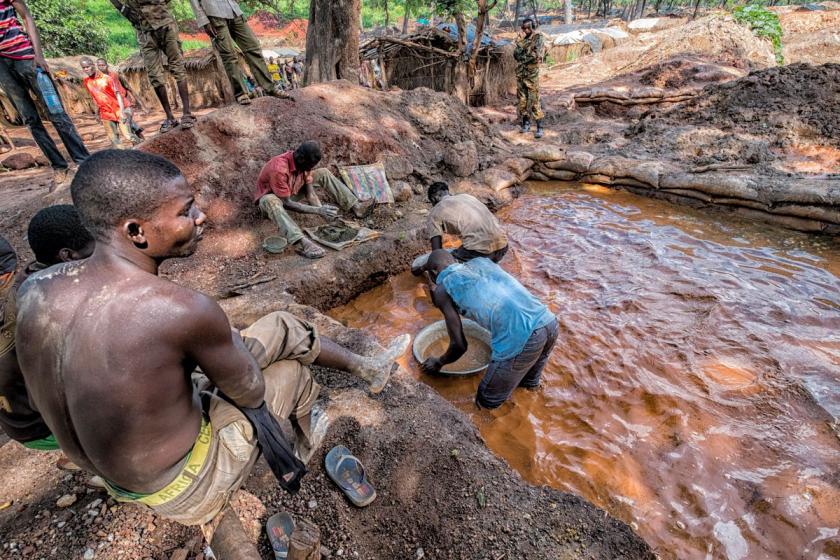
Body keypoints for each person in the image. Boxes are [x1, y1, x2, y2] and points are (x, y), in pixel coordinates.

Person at [15, 149, 409, 527]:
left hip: (117, 472)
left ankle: (365, 368)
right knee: (291, 373)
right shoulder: (180, 309)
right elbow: (251, 393)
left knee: (279, 325)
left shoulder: (36, 290)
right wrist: (227, 348)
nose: (200, 217)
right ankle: (307, 439)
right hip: (179, 485)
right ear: (135, 231)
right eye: (185, 211)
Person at [0, 207, 95, 450]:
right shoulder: (54, 306)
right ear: (68, 255)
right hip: (38, 426)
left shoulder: (32, 277)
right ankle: (97, 460)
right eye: (95, 247)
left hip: (20, 415)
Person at [417, 250, 558, 409]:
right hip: (549, 322)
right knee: (528, 386)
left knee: (485, 402)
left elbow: (460, 346)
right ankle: (530, 413)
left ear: (434, 273)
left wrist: (438, 362)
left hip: (524, 336)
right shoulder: (481, 262)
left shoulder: (443, 289)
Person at [0, 0, 89, 186]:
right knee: (30, 119)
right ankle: (59, 167)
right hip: (2, 68)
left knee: (56, 111)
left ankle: (83, 161)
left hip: (25, 56)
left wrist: (38, 54)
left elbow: (26, 16)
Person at [255, 141, 375, 260]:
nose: (309, 169)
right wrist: (318, 210)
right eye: (309, 167)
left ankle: (356, 207)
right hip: (274, 200)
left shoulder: (303, 163)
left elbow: (310, 194)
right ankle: (303, 242)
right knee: (270, 200)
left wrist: (326, 214)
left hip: (290, 192)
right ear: (301, 159)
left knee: (323, 173)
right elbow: (287, 203)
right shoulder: (279, 169)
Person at [109, 0, 195, 133]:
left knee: (177, 67)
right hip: (144, 32)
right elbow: (116, 3)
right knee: (155, 76)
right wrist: (130, 15)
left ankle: (187, 113)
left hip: (165, 24)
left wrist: (158, 6)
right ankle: (170, 117)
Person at [189, 0, 280, 105]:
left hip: (233, 9)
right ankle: (241, 93)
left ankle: (269, 87)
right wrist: (204, 20)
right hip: (213, 12)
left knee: (253, 47)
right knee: (228, 55)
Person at [412, 182, 508, 273]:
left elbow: (437, 254)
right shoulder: (467, 197)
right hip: (503, 246)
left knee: (446, 266)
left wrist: (422, 267)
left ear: (433, 200)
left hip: (478, 251)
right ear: (448, 192)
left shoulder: (434, 213)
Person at [80, 57, 141, 148]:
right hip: (105, 114)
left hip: (118, 110)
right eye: (84, 67)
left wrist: (122, 112)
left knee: (128, 135)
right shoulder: (86, 82)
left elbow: (118, 95)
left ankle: (143, 148)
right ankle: (123, 158)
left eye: (88, 66)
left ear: (93, 65)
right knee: (114, 140)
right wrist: (97, 113)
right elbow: (95, 98)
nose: (86, 69)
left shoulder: (107, 78)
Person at [96, 57, 145, 140]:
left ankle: (139, 143)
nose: (101, 67)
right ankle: (139, 139)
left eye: (103, 65)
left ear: (107, 65)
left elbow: (128, 87)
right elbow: (100, 98)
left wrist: (141, 103)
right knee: (128, 127)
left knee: (128, 130)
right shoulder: (98, 80)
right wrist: (98, 113)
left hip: (124, 105)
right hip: (112, 109)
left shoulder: (115, 75)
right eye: (99, 65)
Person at [513, 17, 546, 139]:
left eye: (527, 28)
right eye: (523, 28)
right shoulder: (522, 40)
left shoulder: (538, 38)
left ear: (532, 27)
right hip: (521, 74)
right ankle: (526, 124)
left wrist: (521, 47)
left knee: (534, 101)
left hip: (531, 75)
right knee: (522, 101)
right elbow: (516, 55)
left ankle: (539, 127)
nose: (525, 30)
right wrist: (520, 46)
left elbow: (534, 56)